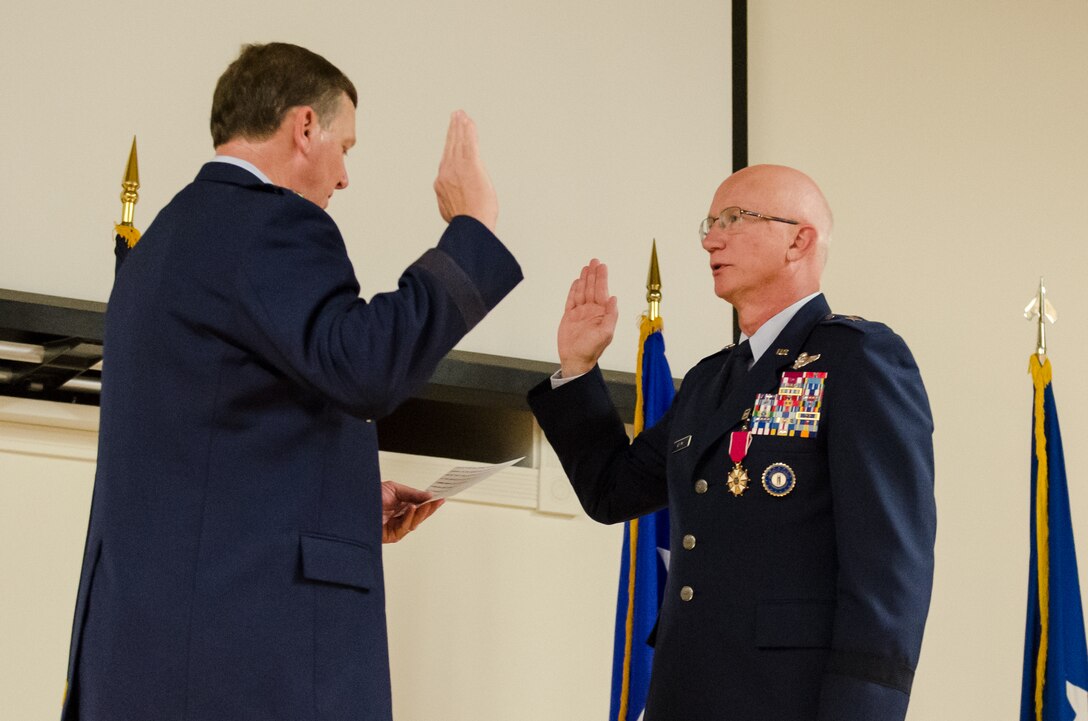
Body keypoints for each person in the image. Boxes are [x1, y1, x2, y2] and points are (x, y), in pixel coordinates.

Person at [62, 42, 522, 721]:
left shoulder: (164, 237)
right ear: (305, 126)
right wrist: (470, 232)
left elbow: (197, 449)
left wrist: (335, 502)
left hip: (150, 657)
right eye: (347, 148)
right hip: (243, 666)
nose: (343, 179)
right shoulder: (269, 221)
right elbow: (363, 366)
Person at [528, 165, 935, 720]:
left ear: (799, 239)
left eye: (735, 219)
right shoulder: (708, 381)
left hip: (788, 699)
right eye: (710, 223)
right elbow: (613, 492)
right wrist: (577, 369)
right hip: (685, 693)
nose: (711, 238)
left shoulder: (856, 358)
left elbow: (889, 567)